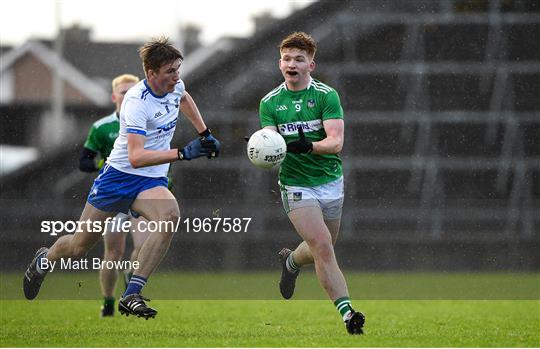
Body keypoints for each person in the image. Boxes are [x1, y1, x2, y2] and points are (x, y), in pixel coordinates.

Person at [23, 37, 221, 320]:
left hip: (149, 181)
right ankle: (44, 260)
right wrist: (183, 154)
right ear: (151, 74)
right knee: (80, 245)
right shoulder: (136, 102)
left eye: (178, 69)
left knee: (169, 216)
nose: (176, 77)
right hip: (118, 178)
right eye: (170, 72)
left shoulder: (175, 85)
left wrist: (205, 133)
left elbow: (184, 98)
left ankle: (132, 294)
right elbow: (136, 157)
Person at [257, 32, 364, 334]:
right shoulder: (270, 103)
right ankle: (348, 314)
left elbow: (336, 142)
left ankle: (291, 261)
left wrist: (310, 146)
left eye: (299, 59)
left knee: (322, 246)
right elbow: (270, 145)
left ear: (311, 65)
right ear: (280, 63)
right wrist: (265, 152)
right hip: (295, 183)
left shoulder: (326, 96)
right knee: (322, 245)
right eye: (287, 59)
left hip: (329, 181)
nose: (292, 63)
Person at [79, 73, 152, 317]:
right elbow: (84, 161)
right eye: (124, 92)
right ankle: (108, 301)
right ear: (114, 97)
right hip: (113, 195)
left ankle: (131, 283)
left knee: (143, 246)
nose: (129, 96)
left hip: (140, 193)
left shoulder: (146, 122)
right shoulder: (102, 128)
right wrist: (106, 167)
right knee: (113, 253)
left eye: (133, 91)